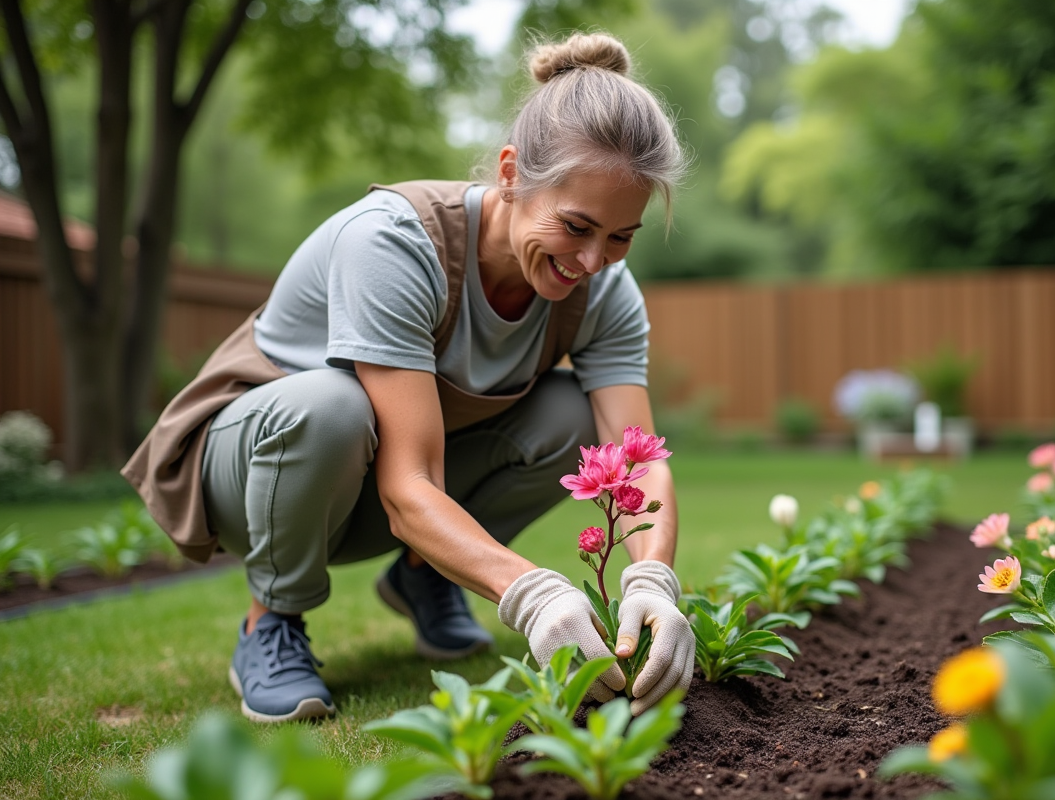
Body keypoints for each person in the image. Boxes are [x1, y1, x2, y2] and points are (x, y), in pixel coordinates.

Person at [123, 30, 695, 724]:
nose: (593, 259)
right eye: (576, 226)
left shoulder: (604, 289)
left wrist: (653, 580)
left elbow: (636, 454)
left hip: (372, 481)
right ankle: (269, 622)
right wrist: (532, 592)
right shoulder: (395, 243)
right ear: (511, 175)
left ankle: (426, 576)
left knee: (577, 422)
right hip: (250, 473)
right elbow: (408, 487)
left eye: (620, 236)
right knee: (332, 407)